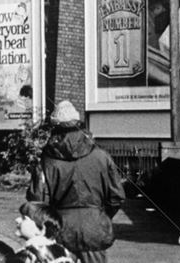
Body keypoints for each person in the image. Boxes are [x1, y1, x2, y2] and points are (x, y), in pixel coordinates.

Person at [26, 100, 124, 263]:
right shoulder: (101, 156)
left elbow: (37, 201)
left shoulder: (47, 160)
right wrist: (100, 216)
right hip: (94, 229)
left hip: (60, 232)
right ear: (79, 124)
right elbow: (116, 197)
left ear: (55, 127)